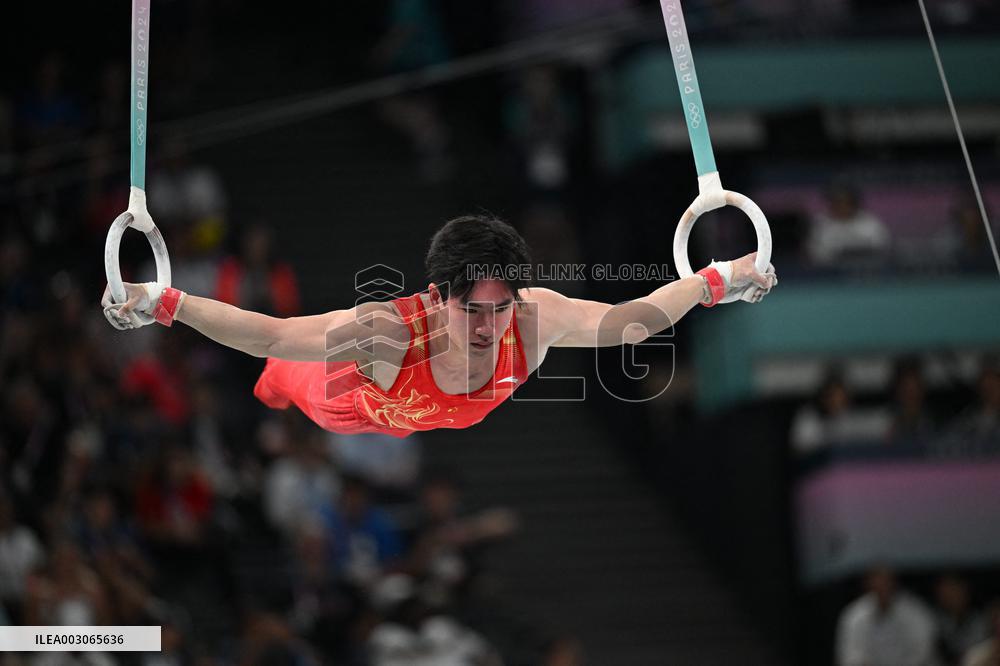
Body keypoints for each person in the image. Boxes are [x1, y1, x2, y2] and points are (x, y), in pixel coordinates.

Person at [102, 215, 777, 437]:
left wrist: (719, 279)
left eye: (500, 307)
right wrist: (165, 304)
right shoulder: (388, 330)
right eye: (470, 308)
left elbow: (633, 323)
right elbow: (271, 335)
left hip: (417, 416)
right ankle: (286, 389)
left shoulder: (534, 319)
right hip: (340, 398)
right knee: (279, 374)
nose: (489, 325)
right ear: (436, 295)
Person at [836, 566, 937, 666]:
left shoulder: (916, 612)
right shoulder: (854, 615)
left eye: (886, 580)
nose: (882, 585)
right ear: (868, 583)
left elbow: (923, 653)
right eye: (876, 579)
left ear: (894, 581)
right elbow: (850, 656)